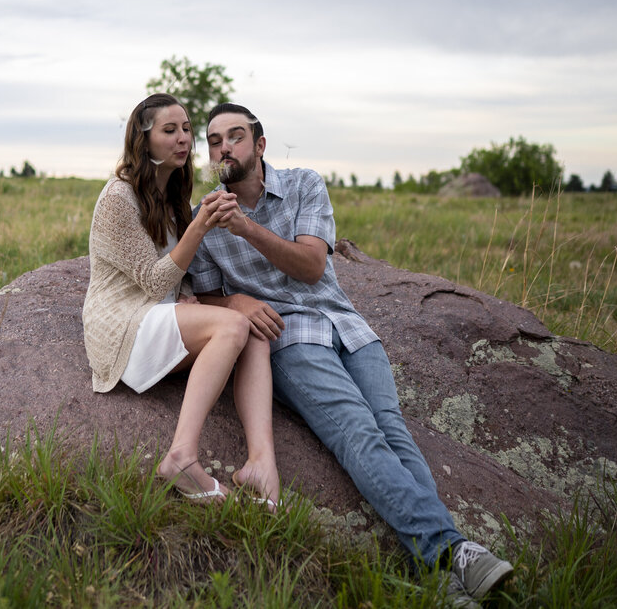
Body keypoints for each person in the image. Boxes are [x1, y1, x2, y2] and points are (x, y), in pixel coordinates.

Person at [188, 102, 514, 607]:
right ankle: (454, 555)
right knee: (357, 432)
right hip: (291, 337)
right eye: (214, 140)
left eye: (235, 136)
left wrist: (248, 229)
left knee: (392, 430)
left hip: (349, 329)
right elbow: (204, 297)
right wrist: (236, 300)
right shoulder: (204, 218)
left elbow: (313, 265)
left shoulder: (304, 185)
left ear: (260, 145)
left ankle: (439, 580)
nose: (223, 147)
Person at [82, 93, 280, 508]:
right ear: (143, 139)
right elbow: (154, 282)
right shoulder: (118, 198)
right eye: (169, 131)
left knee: (256, 333)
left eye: (187, 130)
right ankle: (181, 458)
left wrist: (190, 297)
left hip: (159, 317)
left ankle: (262, 465)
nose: (184, 139)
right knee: (232, 324)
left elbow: (178, 279)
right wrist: (200, 226)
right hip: (123, 327)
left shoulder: (173, 193)